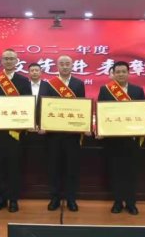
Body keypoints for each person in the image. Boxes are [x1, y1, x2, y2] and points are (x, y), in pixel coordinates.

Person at [0, 48, 31, 213]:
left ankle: (13, 200)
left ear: (17, 61)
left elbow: (28, 105)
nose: (9, 61)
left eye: (12, 58)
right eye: (6, 58)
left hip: (15, 132)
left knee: (14, 168)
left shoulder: (23, 81)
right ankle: (0, 199)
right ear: (1, 61)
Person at [97, 61, 145, 215]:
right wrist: (100, 129)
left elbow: (142, 112)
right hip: (113, 139)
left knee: (131, 172)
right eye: (117, 72)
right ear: (112, 74)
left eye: (123, 71)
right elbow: (101, 111)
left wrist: (144, 128)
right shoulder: (105, 90)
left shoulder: (137, 90)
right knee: (116, 172)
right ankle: (118, 202)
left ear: (128, 73)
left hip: (131, 139)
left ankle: (131, 203)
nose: (121, 74)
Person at [39, 55, 86, 212]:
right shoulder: (48, 84)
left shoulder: (78, 84)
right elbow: (43, 106)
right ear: (57, 66)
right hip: (53, 135)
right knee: (54, 168)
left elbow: (82, 107)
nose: (65, 66)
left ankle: (71, 199)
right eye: (62, 64)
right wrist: (42, 124)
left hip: (72, 135)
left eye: (67, 64)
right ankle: (55, 198)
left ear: (72, 66)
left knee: (71, 168)